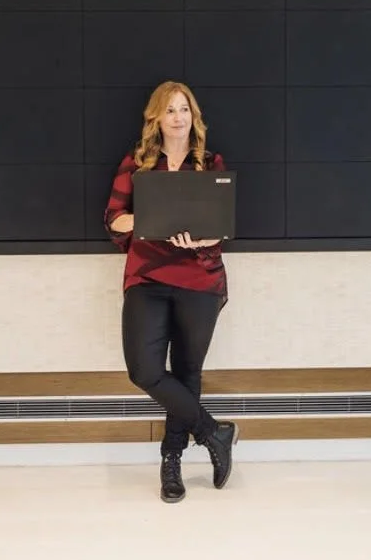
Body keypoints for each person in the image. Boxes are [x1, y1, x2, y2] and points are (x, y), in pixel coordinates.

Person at [104, 80, 238, 504]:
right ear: (156, 119)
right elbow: (114, 219)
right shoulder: (138, 163)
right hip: (147, 278)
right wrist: (151, 218)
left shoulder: (211, 163)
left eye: (184, 110)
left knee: (186, 372)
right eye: (170, 110)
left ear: (193, 117)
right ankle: (213, 431)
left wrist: (202, 238)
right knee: (144, 370)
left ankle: (171, 462)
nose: (178, 118)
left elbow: (222, 228)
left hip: (199, 280)